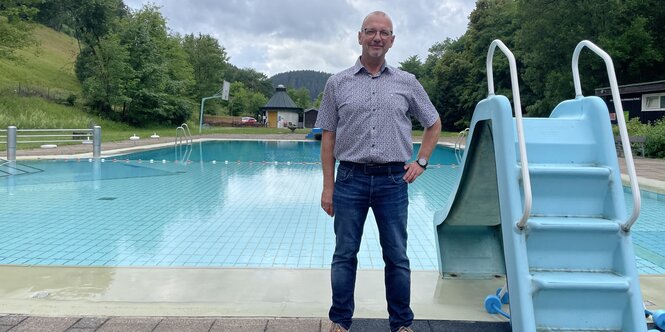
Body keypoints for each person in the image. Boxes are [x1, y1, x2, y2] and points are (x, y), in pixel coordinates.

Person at [315, 10, 442, 332]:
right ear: (359, 36)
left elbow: (433, 123)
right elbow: (327, 136)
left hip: (392, 181)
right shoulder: (337, 83)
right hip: (349, 179)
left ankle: (401, 324)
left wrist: (421, 161)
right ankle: (340, 322)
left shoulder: (407, 82)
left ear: (392, 40)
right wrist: (327, 187)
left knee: (397, 256)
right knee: (344, 254)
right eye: (370, 31)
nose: (377, 37)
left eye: (384, 33)